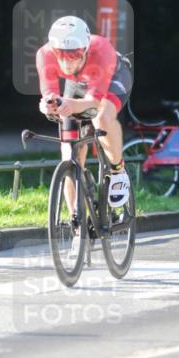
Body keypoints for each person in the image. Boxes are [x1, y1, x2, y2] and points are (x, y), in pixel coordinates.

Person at [36, 16, 134, 212]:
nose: (67, 59)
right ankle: (76, 219)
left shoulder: (101, 49)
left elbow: (94, 102)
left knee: (102, 117)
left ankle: (117, 170)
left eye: (75, 53)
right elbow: (49, 94)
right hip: (79, 84)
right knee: (68, 155)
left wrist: (70, 104)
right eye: (60, 53)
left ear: (86, 49)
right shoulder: (44, 54)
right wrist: (48, 105)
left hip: (113, 77)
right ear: (52, 49)